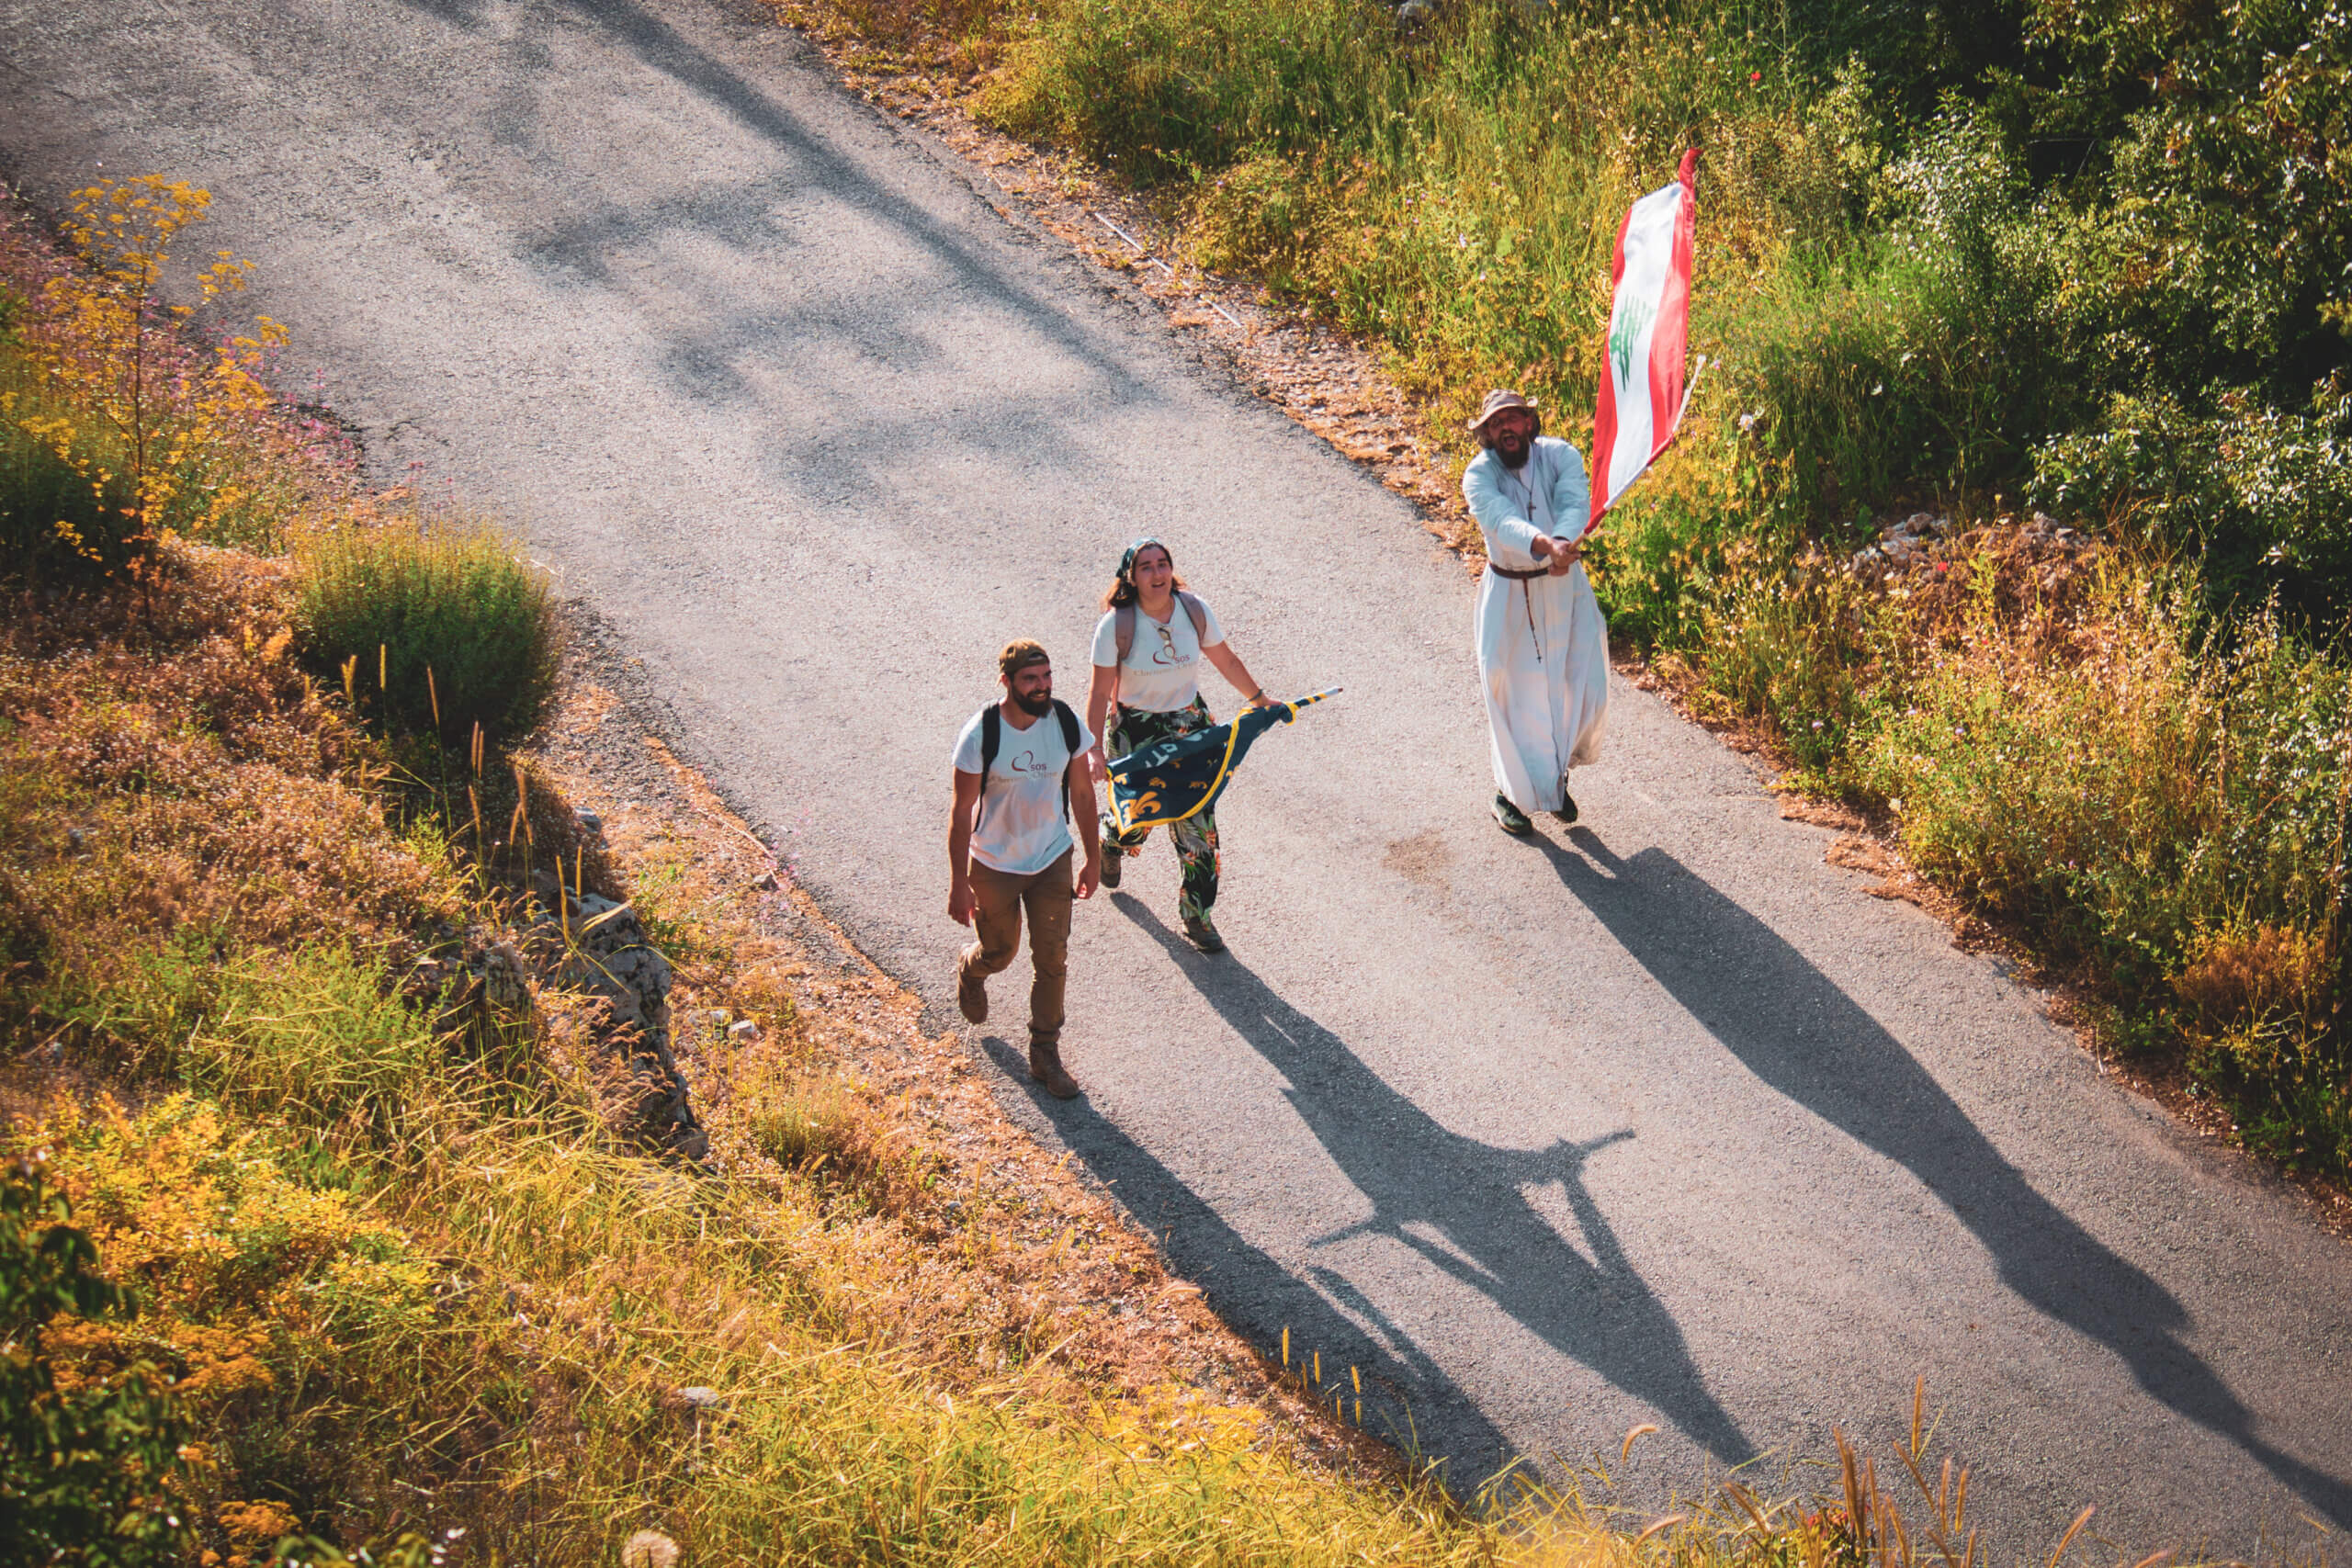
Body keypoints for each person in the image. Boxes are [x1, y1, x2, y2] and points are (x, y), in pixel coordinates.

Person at [1083, 538, 1277, 954]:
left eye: (1163, 565)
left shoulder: (1193, 610)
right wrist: (1094, 750)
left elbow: (1224, 660)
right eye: (1146, 567)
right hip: (1135, 731)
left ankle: (1197, 915)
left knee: (1197, 821)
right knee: (1139, 819)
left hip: (1190, 726)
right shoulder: (1116, 626)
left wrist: (1259, 699)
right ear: (1131, 578)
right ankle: (1112, 838)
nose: (1157, 574)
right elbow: (1099, 693)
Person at [949, 640, 1102, 1099]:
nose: (1042, 686)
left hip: (1051, 857)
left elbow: (1082, 795)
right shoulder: (981, 734)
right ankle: (973, 969)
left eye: (1047, 676)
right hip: (994, 863)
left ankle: (1045, 1052)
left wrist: (1093, 858)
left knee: (1052, 957)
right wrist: (960, 883)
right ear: (1007, 682)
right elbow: (960, 814)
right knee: (1001, 952)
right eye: (1031, 679)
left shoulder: (1066, 724)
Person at [1461, 389, 1610, 836]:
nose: (1506, 428)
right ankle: (1509, 795)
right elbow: (1502, 521)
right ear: (1487, 433)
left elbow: (1574, 502)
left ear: (1529, 422)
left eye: (1513, 418)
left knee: (1577, 683)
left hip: (1564, 589)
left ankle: (1552, 781)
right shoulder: (1478, 475)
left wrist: (1563, 539)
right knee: (1513, 692)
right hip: (1510, 592)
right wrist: (1549, 546)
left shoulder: (1560, 455)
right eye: (1496, 423)